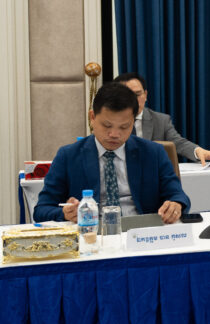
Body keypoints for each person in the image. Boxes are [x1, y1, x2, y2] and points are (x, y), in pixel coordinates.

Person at [34, 82, 190, 223]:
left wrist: (176, 205)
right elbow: (41, 210)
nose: (114, 134)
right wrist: (65, 213)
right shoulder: (68, 156)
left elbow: (178, 196)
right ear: (92, 117)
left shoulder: (153, 153)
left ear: (133, 122)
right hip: (91, 233)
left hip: (141, 232)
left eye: (124, 127)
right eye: (107, 126)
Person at [114, 72, 210, 165]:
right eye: (127, 95)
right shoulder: (110, 121)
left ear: (145, 95)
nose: (133, 100)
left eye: (137, 94)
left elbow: (178, 143)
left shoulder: (160, 121)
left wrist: (197, 151)